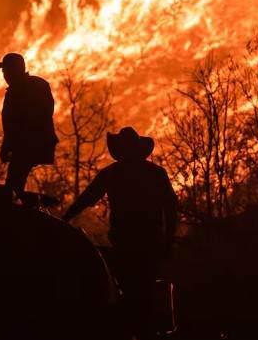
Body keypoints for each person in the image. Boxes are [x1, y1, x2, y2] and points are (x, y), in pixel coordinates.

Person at [62, 127, 178, 329]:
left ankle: (134, 334)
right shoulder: (156, 173)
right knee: (145, 292)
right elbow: (171, 208)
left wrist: (65, 219)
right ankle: (144, 334)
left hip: (126, 243)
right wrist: (168, 240)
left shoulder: (112, 174)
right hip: (149, 244)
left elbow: (86, 198)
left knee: (128, 291)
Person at [0, 52, 57, 197]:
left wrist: (8, 145)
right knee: (15, 183)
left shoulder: (19, 90)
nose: (4, 75)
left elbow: (16, 123)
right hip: (32, 144)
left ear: (14, 69)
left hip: (27, 145)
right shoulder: (38, 84)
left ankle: (28, 207)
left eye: (6, 70)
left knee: (12, 186)